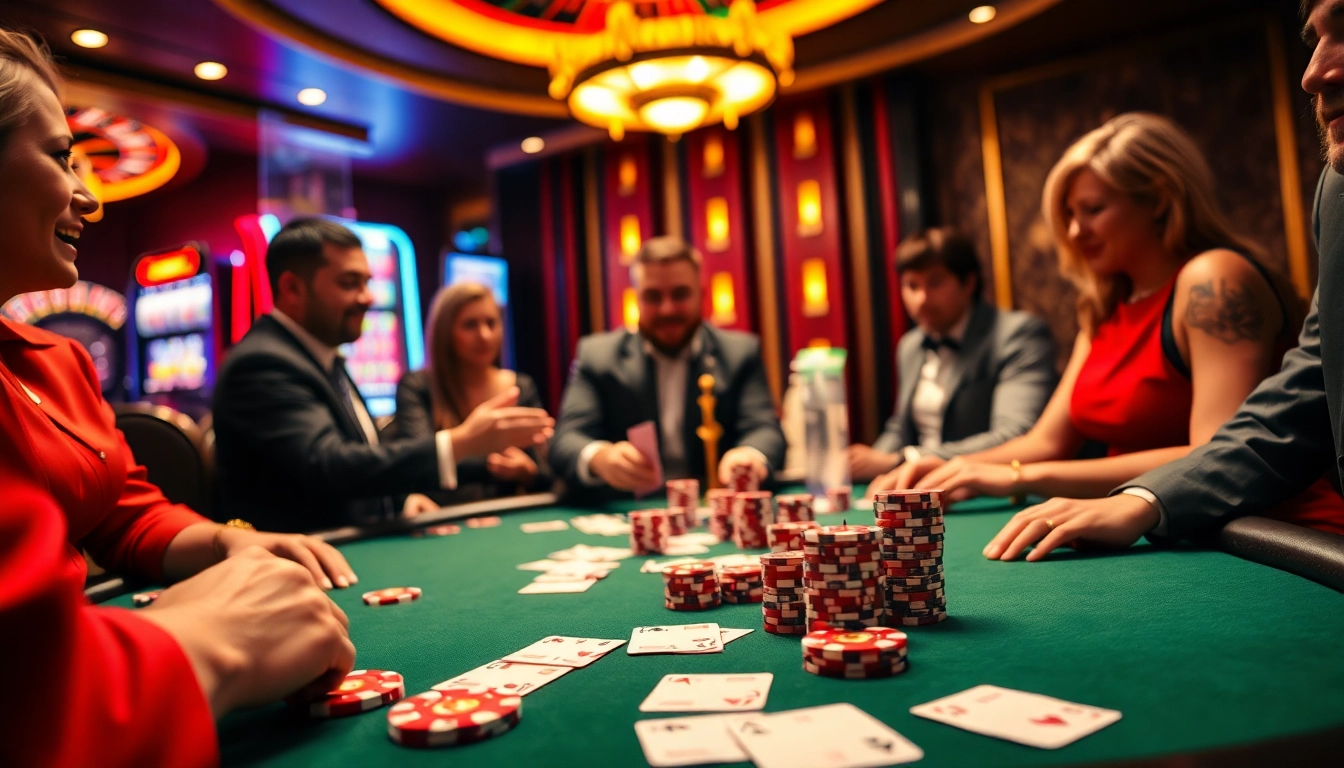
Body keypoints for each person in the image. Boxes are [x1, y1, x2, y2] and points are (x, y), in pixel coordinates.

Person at [0, 28, 355, 765]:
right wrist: (201, 644)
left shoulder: (59, 361)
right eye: (61, 158)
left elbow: (126, 517)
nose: (88, 197)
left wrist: (227, 539)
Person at [978, 0, 1344, 560]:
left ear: (1158, 201)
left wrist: (1016, 477)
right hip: (1157, 525)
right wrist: (950, 468)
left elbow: (1210, 447)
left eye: (1094, 209)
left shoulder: (1211, 280)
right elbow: (1045, 441)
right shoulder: (1106, 301)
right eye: (1068, 214)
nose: (1074, 231)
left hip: (1261, 537)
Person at [213, 218, 554, 532]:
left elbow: (356, 466)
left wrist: (400, 500)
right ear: (292, 288)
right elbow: (328, 467)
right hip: (296, 568)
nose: (368, 297)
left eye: (366, 282)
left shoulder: (322, 357)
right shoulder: (262, 363)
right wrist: (460, 442)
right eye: (350, 284)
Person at [550, 236, 785, 497]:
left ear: (702, 293)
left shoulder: (741, 353)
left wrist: (748, 455)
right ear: (636, 298)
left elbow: (764, 429)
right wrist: (600, 458)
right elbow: (565, 441)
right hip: (629, 509)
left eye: (680, 294)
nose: (667, 309)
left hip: (716, 505)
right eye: (652, 297)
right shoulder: (597, 355)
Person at [853, 228, 1057, 491]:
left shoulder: (1018, 334)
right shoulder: (910, 346)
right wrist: (870, 463)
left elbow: (1015, 434)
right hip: (920, 488)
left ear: (968, 283)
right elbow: (901, 429)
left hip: (989, 492)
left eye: (935, 283)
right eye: (912, 286)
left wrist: (906, 459)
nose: (921, 299)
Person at [392, 281, 551, 511]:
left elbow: (550, 474)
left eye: (491, 323)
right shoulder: (418, 386)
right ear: (445, 332)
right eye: (470, 325)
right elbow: (419, 463)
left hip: (510, 519)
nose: (484, 335)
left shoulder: (520, 386)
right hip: (444, 520)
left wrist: (530, 473)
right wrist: (491, 462)